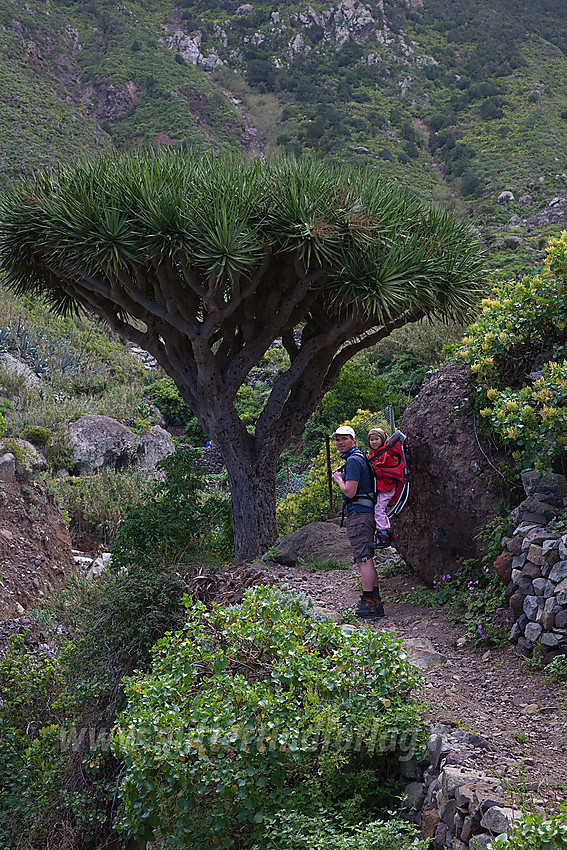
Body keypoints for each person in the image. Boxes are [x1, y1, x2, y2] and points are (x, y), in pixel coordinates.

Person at [331, 425, 385, 620]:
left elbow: (350, 491)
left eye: (344, 439)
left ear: (353, 440)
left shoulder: (353, 461)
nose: (340, 443)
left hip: (359, 514)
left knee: (363, 559)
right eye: (337, 439)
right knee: (366, 557)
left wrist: (338, 479)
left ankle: (369, 602)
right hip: (366, 512)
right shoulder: (360, 457)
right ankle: (374, 602)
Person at [368, 427, 397, 549]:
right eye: (371, 440)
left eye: (376, 439)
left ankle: (383, 534)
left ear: (382, 439)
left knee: (379, 509)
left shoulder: (385, 454)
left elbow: (377, 466)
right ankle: (380, 533)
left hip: (387, 486)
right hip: (381, 486)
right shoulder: (372, 454)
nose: (374, 442)